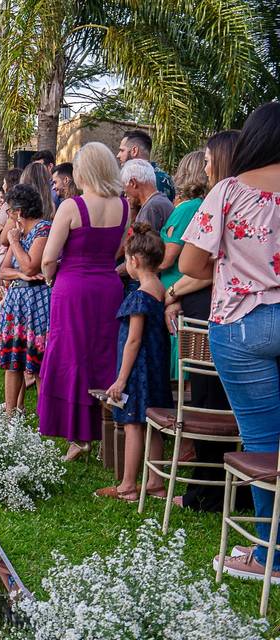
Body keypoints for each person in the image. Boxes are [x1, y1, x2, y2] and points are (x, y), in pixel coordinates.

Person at [180, 102, 280, 582]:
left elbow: (191, 266)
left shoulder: (228, 192)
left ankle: (270, 556)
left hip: (242, 324)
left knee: (261, 443)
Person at [39, 141, 130, 461]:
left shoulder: (71, 207)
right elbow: (119, 249)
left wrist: (51, 277)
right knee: (103, 356)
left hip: (73, 287)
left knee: (71, 355)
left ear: (83, 171)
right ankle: (105, 429)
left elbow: (48, 258)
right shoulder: (124, 206)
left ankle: (78, 436)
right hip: (108, 286)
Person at [165, 130, 240, 513]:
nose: (206, 166)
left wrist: (173, 292)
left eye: (209, 159)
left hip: (216, 310)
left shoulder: (223, 198)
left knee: (212, 403)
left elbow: (197, 266)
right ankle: (230, 490)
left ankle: (205, 493)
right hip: (216, 306)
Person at [95, 223, 173, 501]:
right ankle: (155, 482)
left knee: (133, 424)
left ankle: (128, 485)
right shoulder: (162, 291)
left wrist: (120, 379)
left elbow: (133, 341)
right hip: (157, 368)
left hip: (138, 370)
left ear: (134, 260)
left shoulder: (138, 297)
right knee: (153, 423)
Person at [0, 184, 51, 415]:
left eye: (9, 211)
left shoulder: (43, 229)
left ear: (19, 211)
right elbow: (4, 271)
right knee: (12, 357)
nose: (8, 216)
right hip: (16, 300)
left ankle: (44, 415)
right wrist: (19, 274)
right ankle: (10, 413)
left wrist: (16, 243)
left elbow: (31, 265)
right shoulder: (18, 234)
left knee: (37, 358)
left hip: (36, 301)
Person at [156, 150, 208, 376]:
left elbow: (167, 257)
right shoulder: (204, 204)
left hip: (178, 290)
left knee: (181, 364)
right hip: (189, 288)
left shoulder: (188, 208)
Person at [117, 130, 176, 202]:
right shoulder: (158, 177)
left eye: (122, 150)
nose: (118, 155)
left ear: (134, 151)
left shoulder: (156, 181)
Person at [121, 158, 174, 232]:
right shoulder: (161, 201)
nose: (126, 196)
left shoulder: (151, 208)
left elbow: (143, 242)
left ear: (133, 183)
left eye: (125, 190)